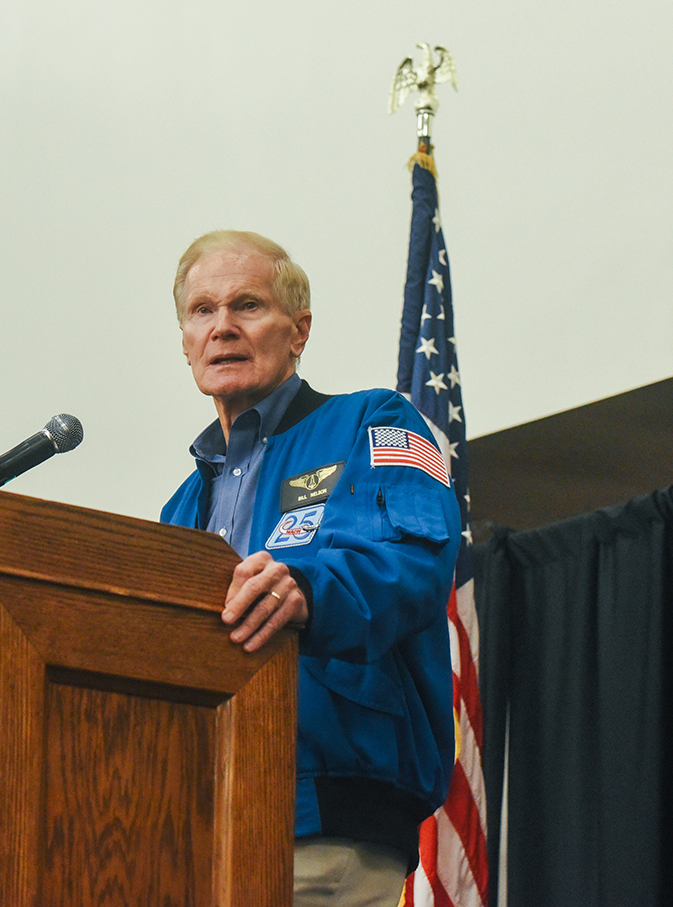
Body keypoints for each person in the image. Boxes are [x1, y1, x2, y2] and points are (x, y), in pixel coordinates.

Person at [160, 230, 462, 906]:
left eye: (247, 305)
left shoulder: (379, 421)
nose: (223, 327)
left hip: (329, 825)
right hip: (192, 827)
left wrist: (309, 592)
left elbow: (413, 555)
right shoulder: (178, 509)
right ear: (184, 340)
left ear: (299, 331)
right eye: (202, 311)